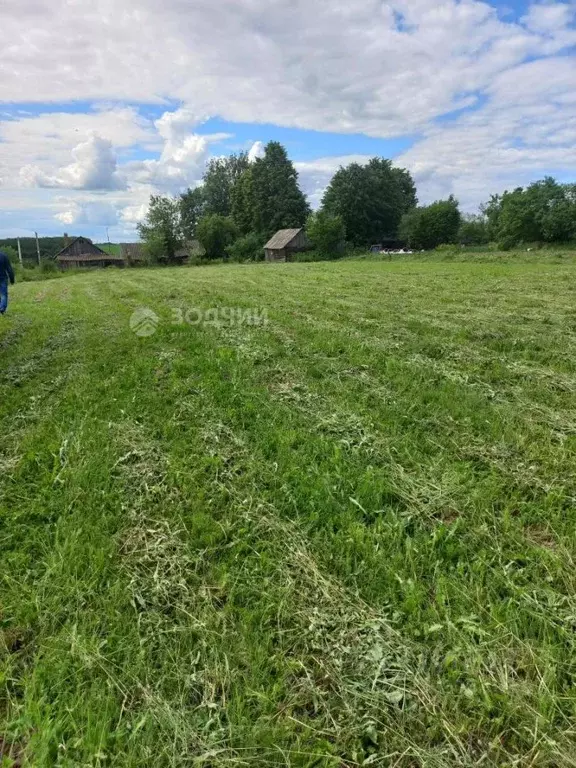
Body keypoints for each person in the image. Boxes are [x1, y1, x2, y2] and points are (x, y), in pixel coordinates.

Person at [0, 249, 15, 315]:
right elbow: (9, 268)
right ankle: (2, 308)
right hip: (3, 278)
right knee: (4, 294)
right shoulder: (3, 256)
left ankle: (1, 307)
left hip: (3, 278)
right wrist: (12, 279)